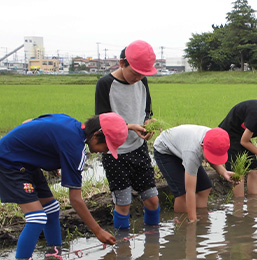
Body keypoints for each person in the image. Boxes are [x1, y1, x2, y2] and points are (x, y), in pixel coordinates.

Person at [0, 112, 129, 259]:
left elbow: (28, 122)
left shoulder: (71, 123)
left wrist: (47, 156)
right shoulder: (75, 150)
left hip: (27, 162)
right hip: (9, 162)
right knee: (37, 218)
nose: (106, 151)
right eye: (107, 146)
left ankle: (54, 254)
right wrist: (98, 231)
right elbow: (75, 199)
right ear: (96, 135)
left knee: (52, 209)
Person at [95, 40, 160, 229]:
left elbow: (146, 110)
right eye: (135, 72)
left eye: (143, 75)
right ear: (122, 63)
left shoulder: (142, 81)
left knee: (153, 200)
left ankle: (153, 246)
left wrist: (147, 123)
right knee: (123, 203)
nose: (138, 78)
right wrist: (130, 126)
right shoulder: (105, 84)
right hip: (115, 152)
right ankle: (122, 248)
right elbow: (102, 121)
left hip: (138, 149)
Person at [153, 125, 235, 223]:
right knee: (182, 193)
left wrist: (224, 172)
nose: (213, 159)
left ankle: (201, 218)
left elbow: (212, 154)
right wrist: (192, 221)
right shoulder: (192, 152)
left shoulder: (215, 138)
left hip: (183, 146)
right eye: (211, 155)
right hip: (166, 151)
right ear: (202, 147)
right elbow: (190, 191)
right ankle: (181, 224)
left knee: (205, 187)